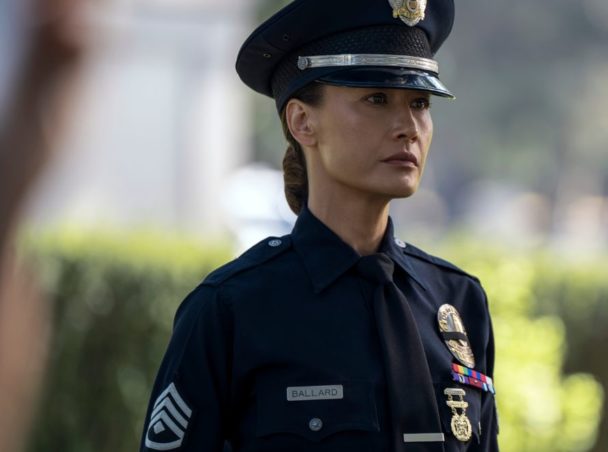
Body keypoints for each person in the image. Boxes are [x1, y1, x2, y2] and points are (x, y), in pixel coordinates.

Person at [140, 0, 499, 450]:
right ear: (302, 121)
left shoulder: (459, 301)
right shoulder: (231, 310)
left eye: (420, 103)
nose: (409, 127)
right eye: (377, 98)